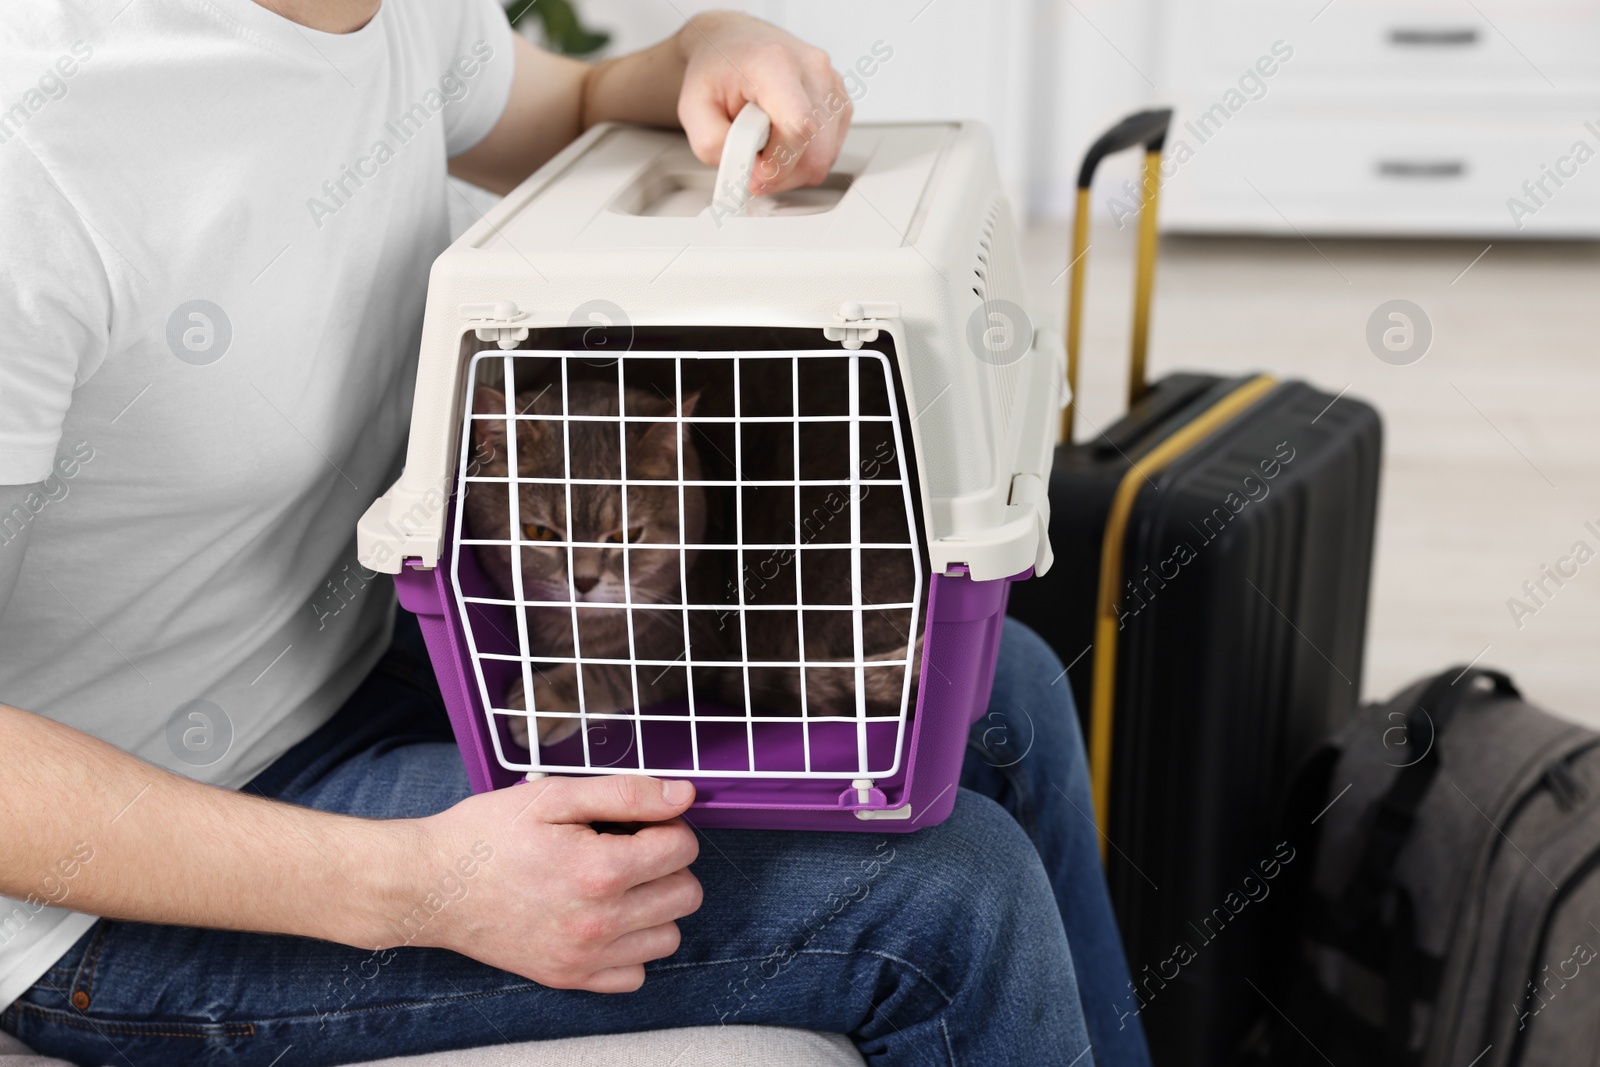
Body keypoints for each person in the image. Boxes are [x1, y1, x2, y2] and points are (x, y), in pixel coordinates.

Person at [0, 2, 1150, 1064]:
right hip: (120, 878)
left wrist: (702, 50)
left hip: (347, 653)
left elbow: (576, 106)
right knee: (957, 893)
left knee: (1002, 684)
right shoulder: (41, 139)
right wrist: (414, 884)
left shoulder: (385, 13)